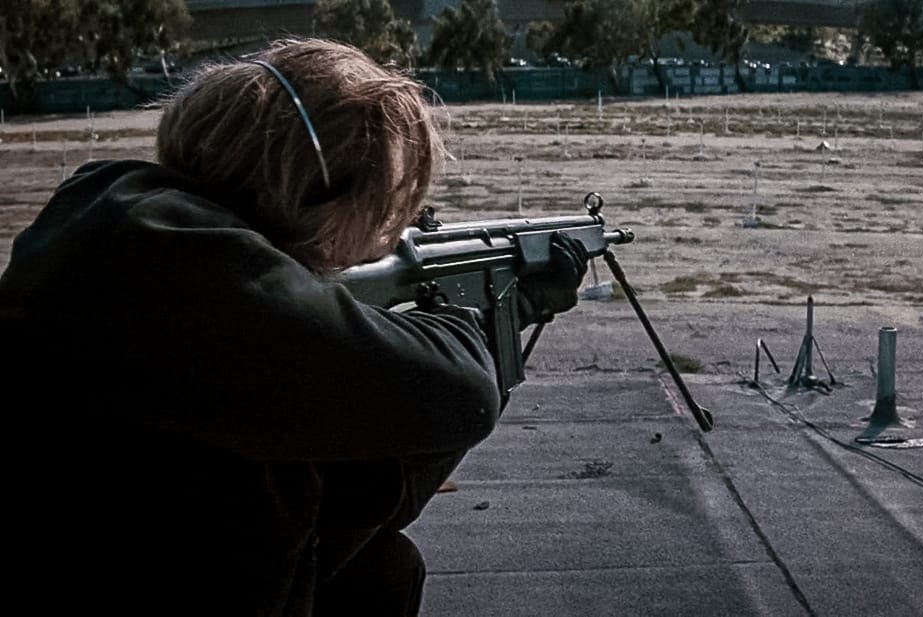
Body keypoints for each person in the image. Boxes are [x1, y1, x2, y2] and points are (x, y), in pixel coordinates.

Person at [0, 38, 587, 616]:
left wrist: (508, 313)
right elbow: (461, 393)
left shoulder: (124, 211)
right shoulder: (190, 266)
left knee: (381, 570)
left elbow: (368, 489)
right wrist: (465, 319)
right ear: (317, 190)